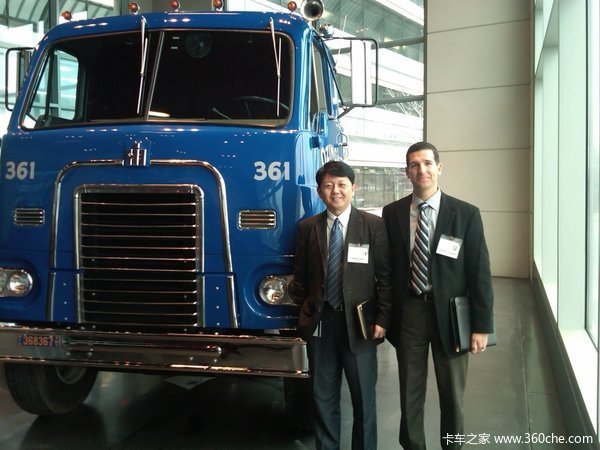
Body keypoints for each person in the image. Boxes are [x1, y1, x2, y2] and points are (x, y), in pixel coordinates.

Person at [382, 141, 494, 450]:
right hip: (410, 311)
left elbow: (480, 272)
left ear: (439, 168)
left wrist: (481, 326)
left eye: (428, 163)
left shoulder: (466, 214)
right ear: (407, 172)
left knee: (452, 394)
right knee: (409, 391)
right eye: (414, 165)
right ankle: (413, 445)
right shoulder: (392, 213)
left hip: (451, 315)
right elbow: (387, 268)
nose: (422, 170)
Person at [289, 160, 393, 450]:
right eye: (328, 185)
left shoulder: (373, 225)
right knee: (323, 398)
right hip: (322, 324)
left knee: (364, 399)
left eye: (342, 185)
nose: (335, 191)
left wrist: (382, 319)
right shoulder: (307, 228)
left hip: (360, 325)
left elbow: (385, 277)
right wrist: (306, 312)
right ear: (320, 191)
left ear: (353, 188)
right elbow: (300, 278)